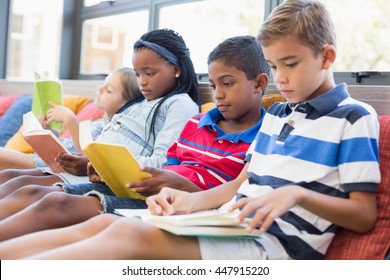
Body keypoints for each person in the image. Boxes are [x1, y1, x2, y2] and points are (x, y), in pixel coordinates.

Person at [0, 0, 381, 260]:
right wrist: (188, 202)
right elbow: (239, 185)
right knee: (103, 223)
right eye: (275, 66)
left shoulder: (353, 117)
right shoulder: (279, 113)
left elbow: (363, 215)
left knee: (129, 235)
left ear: (327, 56)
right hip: (230, 222)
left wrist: (296, 195)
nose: (282, 78)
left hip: (275, 247)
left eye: (291, 64)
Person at [0, 35, 269, 242]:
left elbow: (231, 190)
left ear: (259, 83)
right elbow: (169, 165)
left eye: (227, 83)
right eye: (213, 85)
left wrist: (175, 184)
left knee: (56, 202)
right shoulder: (197, 123)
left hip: (175, 204)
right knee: (31, 188)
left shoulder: (266, 132)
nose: (218, 94)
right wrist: (106, 167)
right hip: (146, 191)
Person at [0, 28, 200, 200]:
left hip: (112, 182)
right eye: (138, 74)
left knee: (25, 188)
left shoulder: (180, 104)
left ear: (176, 69)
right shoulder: (139, 104)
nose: (142, 82)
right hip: (93, 171)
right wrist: (87, 160)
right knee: (12, 177)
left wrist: (97, 164)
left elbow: (163, 163)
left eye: (149, 73)